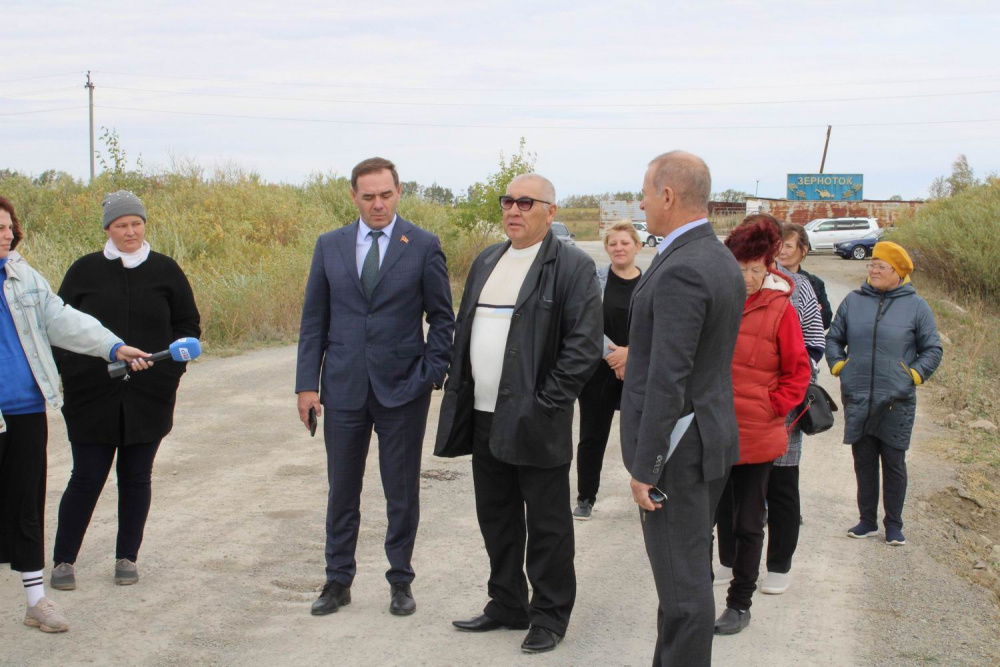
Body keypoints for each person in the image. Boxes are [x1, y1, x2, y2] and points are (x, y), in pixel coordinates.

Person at [435, 173, 602, 654]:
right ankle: (507, 602)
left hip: (536, 419)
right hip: (484, 415)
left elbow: (584, 346)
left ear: (551, 211)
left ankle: (549, 615)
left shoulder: (571, 266)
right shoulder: (489, 259)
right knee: (497, 516)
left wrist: (545, 403)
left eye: (526, 202)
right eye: (508, 201)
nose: (513, 210)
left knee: (548, 525)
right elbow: (466, 329)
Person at [296, 157, 454, 617]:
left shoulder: (422, 245)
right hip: (343, 388)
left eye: (386, 195)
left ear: (399, 192)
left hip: (403, 390)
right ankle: (337, 580)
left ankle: (400, 580)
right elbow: (313, 321)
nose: (378, 204)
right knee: (341, 489)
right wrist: (307, 385)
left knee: (401, 491)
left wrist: (431, 373)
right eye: (368, 197)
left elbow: (442, 318)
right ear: (354, 197)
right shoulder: (330, 245)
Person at [0, 196, 149, 633]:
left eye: (8, 227)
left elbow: (62, 319)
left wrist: (112, 346)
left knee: (27, 509)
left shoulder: (22, 276)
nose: (6, 235)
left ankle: (36, 602)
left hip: (27, 410)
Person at [620, 151, 744, 665]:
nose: (642, 204)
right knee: (684, 579)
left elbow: (668, 379)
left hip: (679, 451)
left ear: (667, 196)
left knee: (683, 593)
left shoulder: (684, 268)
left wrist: (647, 466)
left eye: (645, 194)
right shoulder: (715, 256)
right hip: (706, 439)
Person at [50, 190, 201, 590]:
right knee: (86, 477)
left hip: (150, 396)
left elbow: (188, 326)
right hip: (90, 396)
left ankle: (127, 557)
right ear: (107, 229)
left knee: (136, 477)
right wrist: (73, 374)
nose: (130, 232)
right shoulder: (83, 271)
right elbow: (58, 328)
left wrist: (169, 372)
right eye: (121, 225)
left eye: (136, 224)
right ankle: (64, 560)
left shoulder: (167, 271)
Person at [715, 215, 824, 596]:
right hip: (727, 417)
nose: (747, 276)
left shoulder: (794, 294)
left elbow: (810, 351)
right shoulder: (720, 296)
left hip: (775, 415)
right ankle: (729, 560)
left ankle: (778, 565)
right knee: (727, 496)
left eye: (755, 268)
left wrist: (775, 403)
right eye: (741, 267)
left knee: (780, 488)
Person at [827, 241, 942, 546]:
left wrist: (912, 375)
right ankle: (867, 521)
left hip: (896, 400)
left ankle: (894, 524)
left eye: (881, 266)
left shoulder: (917, 306)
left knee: (893, 462)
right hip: (859, 396)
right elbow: (834, 338)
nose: (874, 270)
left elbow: (933, 348)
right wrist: (839, 366)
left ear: (898, 272)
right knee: (863, 461)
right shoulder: (853, 301)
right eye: (872, 264)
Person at [572, 220, 642, 521]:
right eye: (613, 243)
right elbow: (586, 321)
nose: (619, 248)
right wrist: (615, 356)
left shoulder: (652, 283)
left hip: (639, 370)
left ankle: (649, 492)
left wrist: (632, 355)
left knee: (643, 437)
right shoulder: (595, 280)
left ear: (637, 246)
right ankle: (586, 497)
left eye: (625, 243)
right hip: (599, 370)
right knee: (592, 436)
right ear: (606, 248)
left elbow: (659, 326)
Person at [778, 222, 832, 329]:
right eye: (779, 245)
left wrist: (811, 314)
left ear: (804, 250)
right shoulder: (766, 278)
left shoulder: (814, 283)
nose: (781, 251)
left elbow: (826, 319)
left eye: (788, 246)